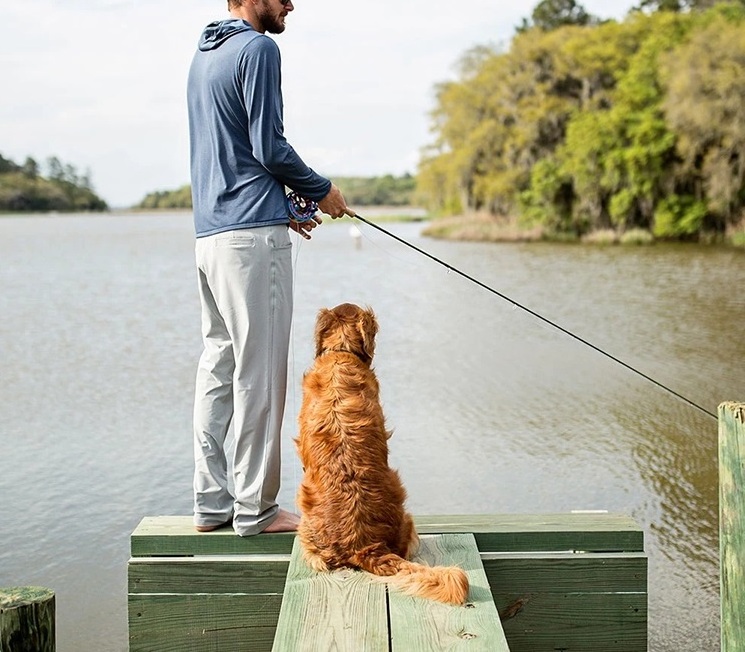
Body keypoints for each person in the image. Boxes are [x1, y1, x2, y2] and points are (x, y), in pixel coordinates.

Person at [187, 0, 353, 536]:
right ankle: (256, 509)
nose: (291, 4)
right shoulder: (259, 48)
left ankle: (211, 504)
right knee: (259, 376)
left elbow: (235, 155)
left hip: (212, 237)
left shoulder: (204, 55)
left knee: (217, 370)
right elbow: (268, 146)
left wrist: (282, 206)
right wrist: (319, 189)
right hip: (252, 244)